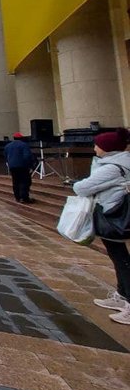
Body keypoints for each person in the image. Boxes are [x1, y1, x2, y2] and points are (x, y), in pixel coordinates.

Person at [73, 128, 130, 325]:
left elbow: (81, 187)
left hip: (113, 216)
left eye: (97, 144)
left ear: (107, 148)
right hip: (114, 214)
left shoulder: (112, 167)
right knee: (118, 255)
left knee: (121, 259)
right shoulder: (118, 163)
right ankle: (122, 296)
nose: (95, 148)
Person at [5, 132, 36, 204]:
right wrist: (30, 165)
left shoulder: (7, 146)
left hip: (12, 166)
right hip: (22, 166)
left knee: (15, 182)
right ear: (21, 138)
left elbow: (6, 156)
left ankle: (17, 197)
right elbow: (27, 156)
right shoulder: (24, 145)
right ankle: (24, 197)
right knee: (25, 181)